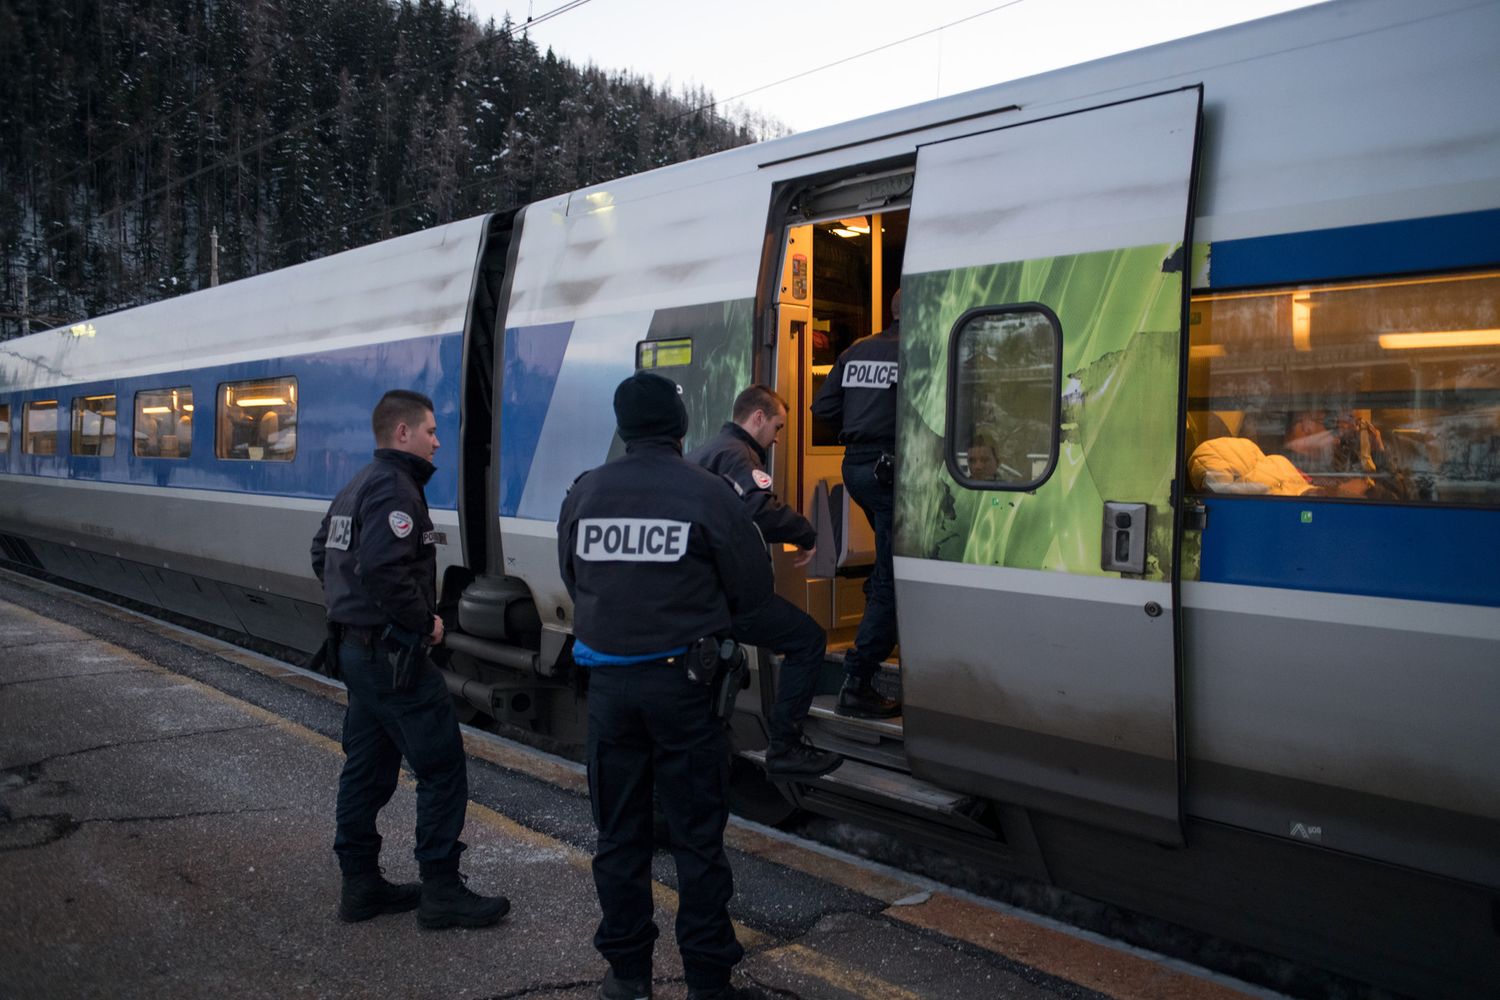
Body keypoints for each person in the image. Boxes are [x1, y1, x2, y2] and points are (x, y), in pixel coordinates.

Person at [558, 371, 772, 1000]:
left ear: (623, 428)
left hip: (609, 694)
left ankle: (627, 978)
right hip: (685, 689)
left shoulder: (585, 493)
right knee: (696, 840)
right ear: (680, 428)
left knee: (619, 836)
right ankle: (708, 981)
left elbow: (575, 577)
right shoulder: (707, 493)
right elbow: (752, 590)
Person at [310, 390, 509, 930]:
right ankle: (441, 891)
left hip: (355, 650)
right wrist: (424, 623)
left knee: (368, 768)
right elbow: (383, 569)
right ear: (403, 433)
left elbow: (320, 552)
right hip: (392, 656)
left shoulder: (356, 485)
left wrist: (352, 609)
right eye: (430, 431)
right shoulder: (396, 489)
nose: (437, 441)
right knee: (442, 769)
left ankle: (360, 886)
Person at [686, 385, 841, 779]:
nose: (777, 437)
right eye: (777, 426)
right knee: (808, 639)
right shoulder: (740, 456)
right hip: (730, 595)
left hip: (702, 590)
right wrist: (806, 533)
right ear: (757, 418)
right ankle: (785, 747)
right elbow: (760, 509)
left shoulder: (707, 451)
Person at [810, 290, 903, 719]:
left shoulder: (855, 350)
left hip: (858, 468)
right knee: (891, 576)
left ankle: (875, 613)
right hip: (893, 469)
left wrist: (862, 419)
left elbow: (824, 406)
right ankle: (859, 679)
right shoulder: (916, 351)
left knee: (887, 563)